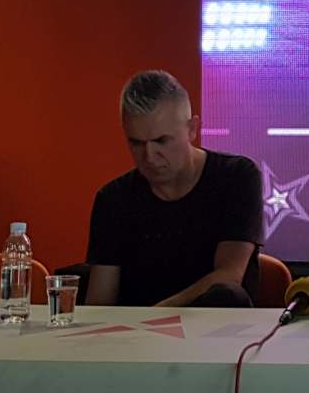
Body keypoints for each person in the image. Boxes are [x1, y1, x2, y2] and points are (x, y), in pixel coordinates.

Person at [85, 70, 263, 307]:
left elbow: (229, 276)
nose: (149, 157)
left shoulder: (236, 177)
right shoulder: (113, 199)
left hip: (216, 328)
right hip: (135, 330)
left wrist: (155, 316)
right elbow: (100, 304)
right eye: (136, 143)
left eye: (161, 141)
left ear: (192, 129)